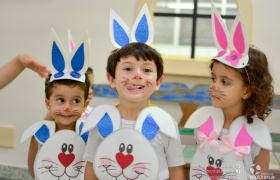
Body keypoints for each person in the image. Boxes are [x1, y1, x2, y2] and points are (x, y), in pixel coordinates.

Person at [185, 3, 274, 179]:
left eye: (225, 81)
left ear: (247, 91)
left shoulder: (257, 134)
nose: (214, 86)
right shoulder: (206, 123)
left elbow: (261, 175)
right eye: (213, 78)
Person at [83, 42, 186, 180]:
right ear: (111, 79)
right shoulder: (101, 120)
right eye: (128, 68)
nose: (137, 75)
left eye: (147, 70)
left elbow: (175, 170)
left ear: (158, 82)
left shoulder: (164, 122)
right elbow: (91, 167)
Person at [27, 73, 90, 178]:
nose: (67, 108)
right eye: (61, 100)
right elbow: (33, 170)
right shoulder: (40, 135)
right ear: (48, 104)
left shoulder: (88, 135)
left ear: (85, 105)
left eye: (76, 101)